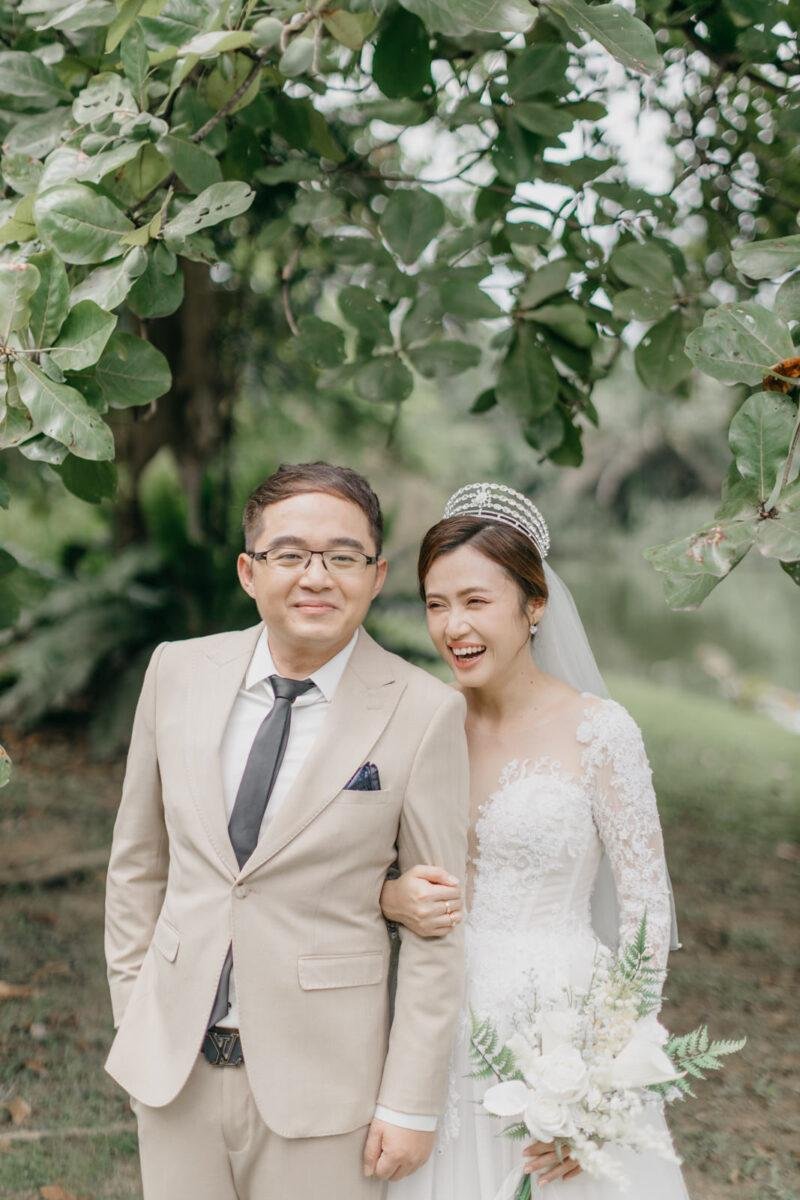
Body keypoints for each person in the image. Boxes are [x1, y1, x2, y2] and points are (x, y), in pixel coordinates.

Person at [104, 462, 470, 1200]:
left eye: (342, 557)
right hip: (174, 1071)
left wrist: (408, 1101)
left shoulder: (424, 710)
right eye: (291, 554)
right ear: (249, 570)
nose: (317, 576)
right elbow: (138, 867)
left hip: (327, 1086)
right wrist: (139, 1022)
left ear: (375, 574)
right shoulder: (175, 672)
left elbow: (439, 929)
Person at [381, 482, 689, 1199]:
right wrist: (391, 897)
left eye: (476, 601)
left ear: (535, 605)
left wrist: (602, 1079)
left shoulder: (601, 731)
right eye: (436, 603)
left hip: (562, 1027)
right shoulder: (422, 724)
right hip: (431, 1018)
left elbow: (647, 910)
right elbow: (357, 862)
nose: (453, 625)